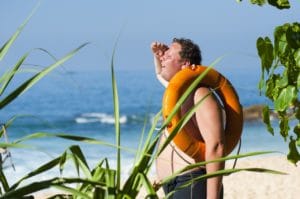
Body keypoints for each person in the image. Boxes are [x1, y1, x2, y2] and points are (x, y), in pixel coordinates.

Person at [151, 38, 225, 199]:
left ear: (185, 64)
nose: (163, 58)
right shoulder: (177, 93)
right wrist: (159, 56)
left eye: (168, 56)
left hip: (192, 180)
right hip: (171, 183)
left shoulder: (200, 94)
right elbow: (159, 74)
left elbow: (216, 147)